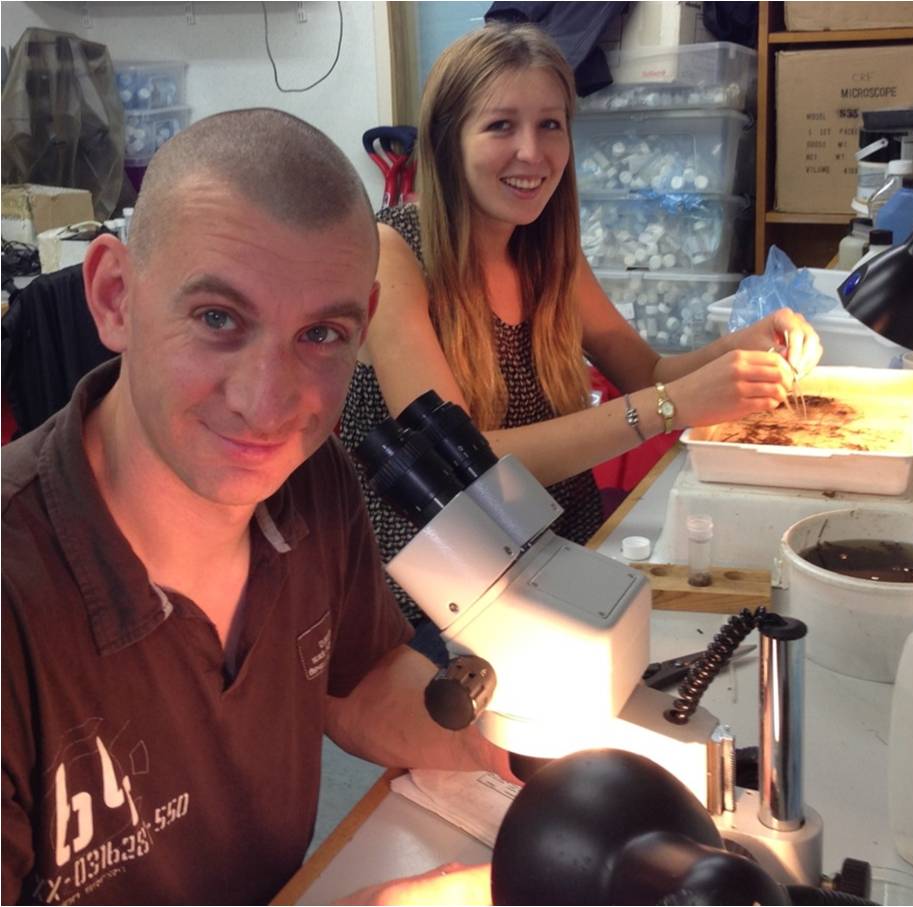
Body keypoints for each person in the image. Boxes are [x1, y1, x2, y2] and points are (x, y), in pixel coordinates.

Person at [1, 108, 513, 906]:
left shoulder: (315, 485)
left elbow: (358, 676)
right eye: (217, 319)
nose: (271, 402)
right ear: (114, 297)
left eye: (320, 335)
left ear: (364, 327)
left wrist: (507, 740)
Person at [341, 22, 823, 656]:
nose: (532, 154)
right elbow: (467, 467)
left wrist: (741, 348)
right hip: (441, 598)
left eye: (550, 125)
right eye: (500, 126)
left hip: (561, 557)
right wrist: (674, 407)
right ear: (446, 141)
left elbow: (646, 370)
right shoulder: (392, 254)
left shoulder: (547, 252)